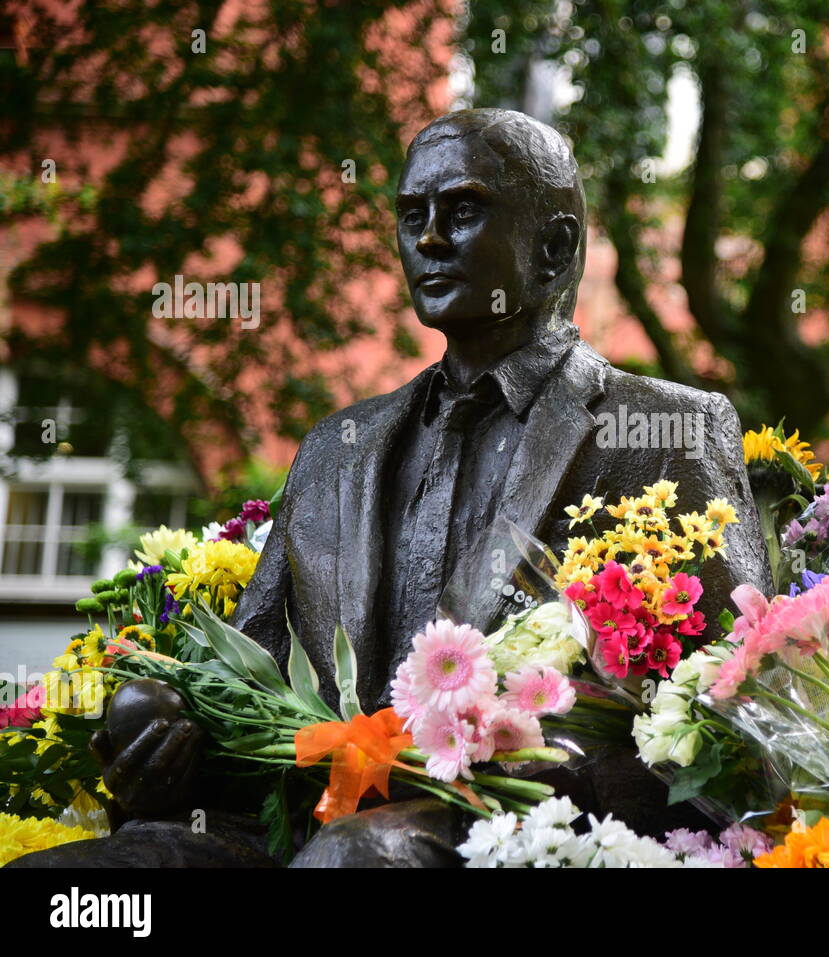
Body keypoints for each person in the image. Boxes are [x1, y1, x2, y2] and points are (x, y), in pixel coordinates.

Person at [11, 109, 770, 867]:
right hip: (300, 824)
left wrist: (520, 764)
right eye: (413, 215)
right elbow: (246, 672)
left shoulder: (666, 428)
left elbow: (734, 717)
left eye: (464, 209)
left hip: (524, 835)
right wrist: (165, 723)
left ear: (555, 246)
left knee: (354, 859)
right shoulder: (338, 450)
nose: (429, 239)